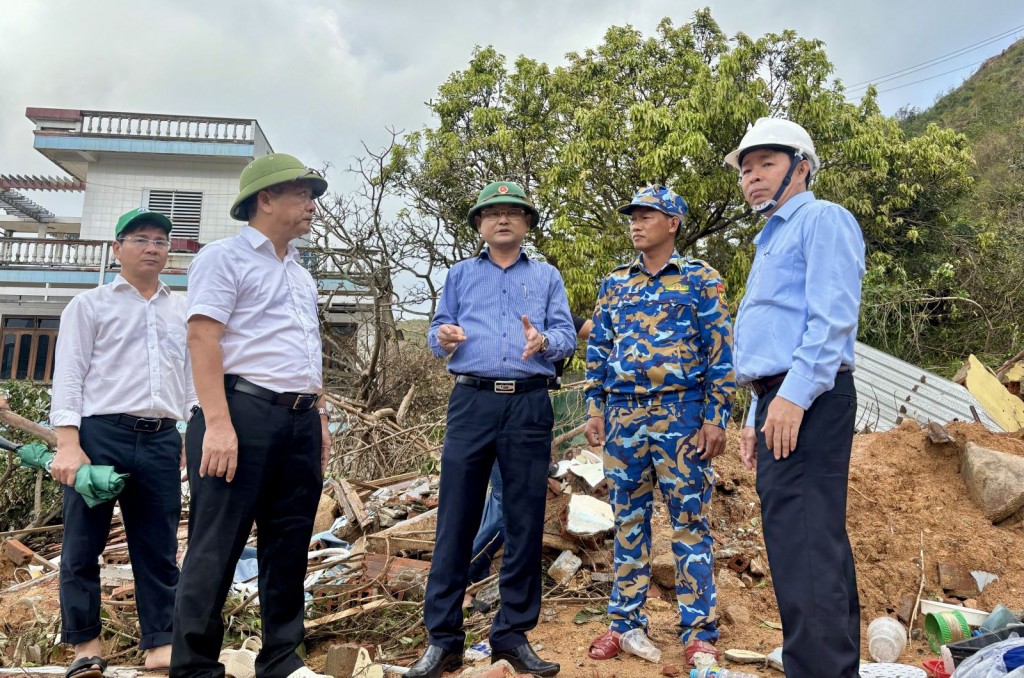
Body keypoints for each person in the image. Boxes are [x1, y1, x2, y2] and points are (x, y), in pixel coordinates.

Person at [171, 154, 332, 678]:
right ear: (265, 199)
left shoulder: (300, 275)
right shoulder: (225, 258)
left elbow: (304, 355)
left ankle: (281, 658)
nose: (312, 205)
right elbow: (202, 338)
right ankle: (194, 666)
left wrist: (320, 423)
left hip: (299, 419)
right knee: (216, 546)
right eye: (302, 194)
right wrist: (217, 423)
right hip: (240, 412)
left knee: (289, 543)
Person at [408, 181, 576, 678]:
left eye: (513, 213)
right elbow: (438, 334)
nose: (502, 220)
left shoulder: (546, 277)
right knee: (455, 518)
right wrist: (443, 336)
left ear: (527, 224)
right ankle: (443, 640)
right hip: (472, 401)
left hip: (528, 406)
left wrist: (542, 341)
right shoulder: (459, 275)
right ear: (479, 225)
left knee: (524, 520)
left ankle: (511, 636)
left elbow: (566, 337)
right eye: (492, 213)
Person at [726, 117, 866, 678]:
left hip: (808, 396)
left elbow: (831, 321)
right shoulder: (772, 237)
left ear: (801, 166)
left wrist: (793, 398)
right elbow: (771, 339)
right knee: (806, 544)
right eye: (746, 168)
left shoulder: (822, 219)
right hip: (780, 399)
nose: (753, 178)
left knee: (805, 546)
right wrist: (757, 413)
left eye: (767, 164)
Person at [583, 185, 735, 666]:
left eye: (647, 215)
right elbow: (599, 350)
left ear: (673, 223)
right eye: (632, 215)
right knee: (628, 521)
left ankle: (698, 631)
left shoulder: (700, 279)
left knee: (690, 522)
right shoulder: (615, 284)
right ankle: (624, 623)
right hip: (624, 416)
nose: (636, 222)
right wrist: (594, 408)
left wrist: (716, 417)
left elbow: (720, 352)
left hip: (681, 415)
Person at [50, 208, 194, 678]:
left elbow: (191, 380)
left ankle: (160, 642)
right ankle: (85, 646)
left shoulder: (183, 309)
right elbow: (69, 376)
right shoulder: (90, 305)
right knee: (81, 545)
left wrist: (191, 435)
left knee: (156, 547)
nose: (152, 247)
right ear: (117, 248)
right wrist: (68, 444)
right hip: (100, 435)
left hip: (160, 440)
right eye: (140, 239)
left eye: (160, 240)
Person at [467, 313, 592, 584]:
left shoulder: (554, 312)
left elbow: (594, 330)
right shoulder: (499, 316)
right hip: (499, 410)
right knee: (505, 499)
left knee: (506, 496)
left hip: (533, 410)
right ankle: (468, 571)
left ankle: (484, 571)